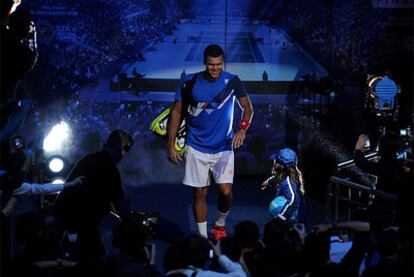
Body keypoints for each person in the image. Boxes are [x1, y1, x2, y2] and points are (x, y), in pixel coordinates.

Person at [167, 44, 253, 240]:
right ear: (204, 62)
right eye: (211, 65)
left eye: (218, 64)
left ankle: (220, 223)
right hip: (196, 145)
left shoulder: (232, 81)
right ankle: (202, 238)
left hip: (223, 147)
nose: (215, 69)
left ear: (223, 62)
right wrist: (170, 145)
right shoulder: (189, 82)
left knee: (225, 192)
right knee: (199, 194)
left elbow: (247, 108)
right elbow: (176, 113)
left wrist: (242, 127)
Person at [54, 129, 134, 260]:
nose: (125, 154)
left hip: (65, 223)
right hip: (80, 225)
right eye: (126, 149)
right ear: (121, 148)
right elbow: (120, 206)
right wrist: (130, 220)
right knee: (96, 261)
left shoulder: (89, 159)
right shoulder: (109, 169)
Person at [261, 148, 305, 223]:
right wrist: (268, 182)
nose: (274, 162)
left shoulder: (288, 181)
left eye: (276, 161)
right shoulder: (285, 176)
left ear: (282, 165)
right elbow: (276, 178)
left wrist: (282, 217)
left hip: (291, 222)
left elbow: (294, 200)